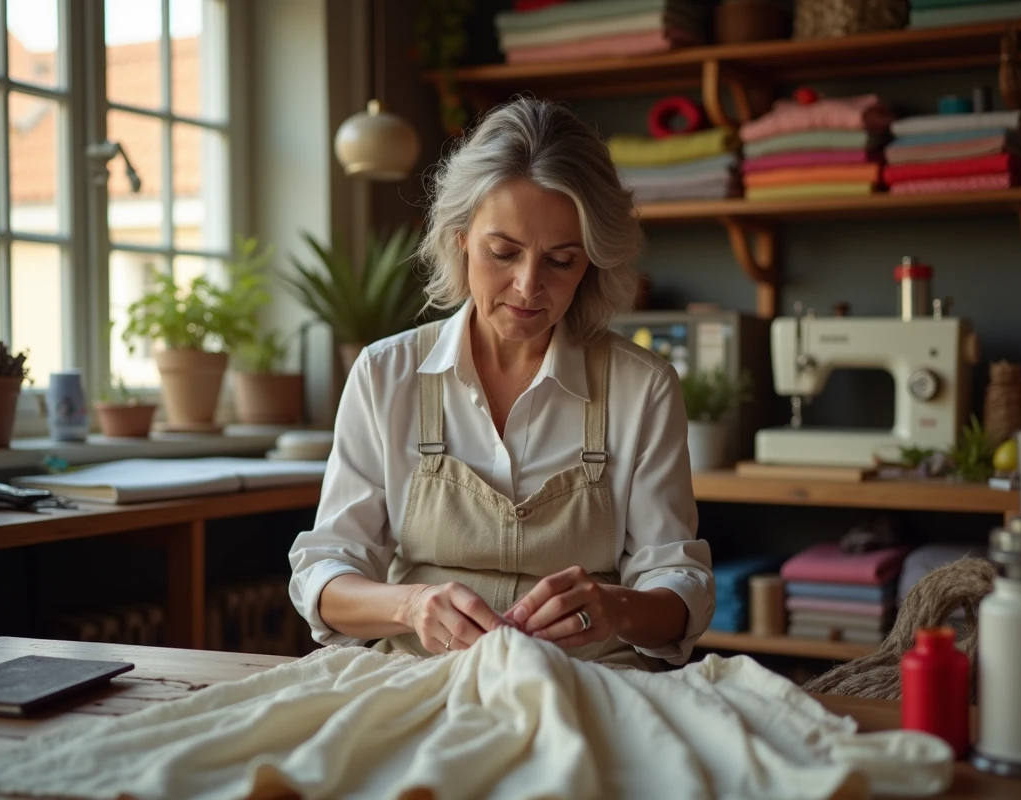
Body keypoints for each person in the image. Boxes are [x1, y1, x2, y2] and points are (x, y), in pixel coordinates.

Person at [288, 97, 714, 670]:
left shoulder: (644, 388)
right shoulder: (384, 375)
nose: (528, 286)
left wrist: (614, 609)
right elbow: (326, 573)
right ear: (460, 237)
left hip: (591, 681)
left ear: (591, 261)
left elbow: (679, 584)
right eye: (503, 253)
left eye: (561, 261)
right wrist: (412, 606)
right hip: (418, 676)